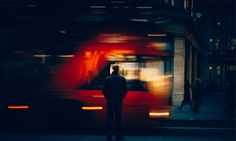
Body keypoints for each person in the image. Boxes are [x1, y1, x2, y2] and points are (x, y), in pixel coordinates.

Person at [102, 65, 127, 141]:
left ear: (112, 70)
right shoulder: (122, 79)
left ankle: (109, 134)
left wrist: (107, 97)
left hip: (110, 101)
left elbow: (103, 89)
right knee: (118, 118)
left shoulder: (107, 79)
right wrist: (122, 97)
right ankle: (118, 134)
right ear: (118, 70)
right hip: (118, 101)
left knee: (109, 118)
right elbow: (125, 90)